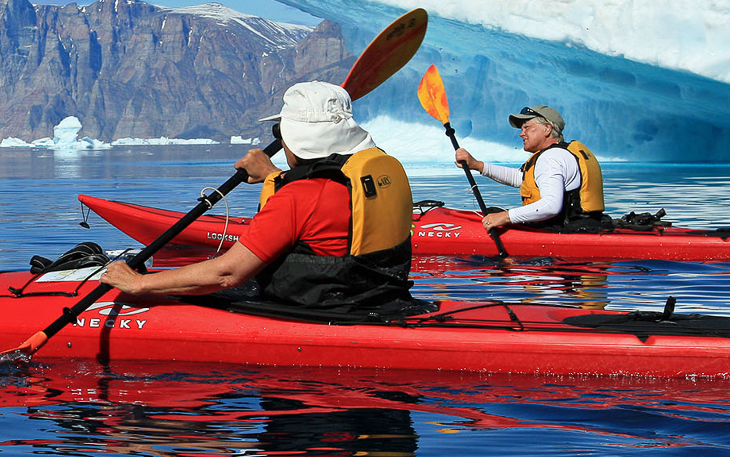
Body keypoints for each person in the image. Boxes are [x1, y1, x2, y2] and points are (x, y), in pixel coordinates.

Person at [101, 81, 417, 315]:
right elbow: (324, 199)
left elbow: (227, 274)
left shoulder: (298, 198)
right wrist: (272, 176)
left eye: (281, 133)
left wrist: (139, 284)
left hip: (321, 312)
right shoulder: (380, 171)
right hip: (378, 299)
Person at [454, 105, 605, 231]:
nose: (521, 134)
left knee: (496, 215)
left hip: (567, 232)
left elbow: (551, 206)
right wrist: (477, 165)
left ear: (547, 129)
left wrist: (505, 216)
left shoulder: (550, 158)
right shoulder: (559, 154)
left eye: (527, 128)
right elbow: (520, 178)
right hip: (586, 225)